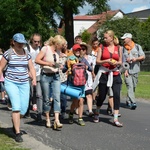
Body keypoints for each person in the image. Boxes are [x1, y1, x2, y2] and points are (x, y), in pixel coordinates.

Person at [0, 33, 36, 142]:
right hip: (11, 82)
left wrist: (33, 78)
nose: (21, 45)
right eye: (19, 43)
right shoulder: (8, 53)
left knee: (24, 109)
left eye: (22, 43)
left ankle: (14, 122)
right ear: (13, 42)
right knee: (16, 106)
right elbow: (0, 67)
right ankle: (17, 132)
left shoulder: (26, 54)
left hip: (24, 83)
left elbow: (31, 68)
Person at [35, 35, 66, 130]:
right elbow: (37, 60)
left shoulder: (57, 51)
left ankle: (56, 120)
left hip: (56, 76)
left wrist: (59, 65)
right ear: (57, 44)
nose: (62, 47)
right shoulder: (45, 48)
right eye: (61, 45)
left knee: (57, 97)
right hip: (45, 75)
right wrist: (48, 64)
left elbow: (56, 61)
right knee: (46, 98)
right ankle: (47, 118)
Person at [93, 30, 123, 127]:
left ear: (111, 37)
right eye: (104, 37)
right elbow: (97, 61)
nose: (104, 39)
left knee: (117, 95)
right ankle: (97, 112)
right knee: (102, 95)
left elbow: (121, 61)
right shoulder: (101, 47)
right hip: (104, 73)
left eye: (106, 37)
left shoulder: (119, 48)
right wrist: (106, 60)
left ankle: (115, 118)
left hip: (115, 73)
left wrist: (116, 63)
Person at [62, 44, 93, 126]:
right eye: (76, 50)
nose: (78, 51)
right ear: (73, 51)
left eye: (80, 50)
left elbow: (90, 68)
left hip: (82, 83)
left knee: (81, 101)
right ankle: (71, 113)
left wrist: (87, 67)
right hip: (73, 83)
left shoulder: (83, 59)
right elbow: (64, 70)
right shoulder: (69, 59)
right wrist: (67, 67)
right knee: (75, 101)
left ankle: (80, 118)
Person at [121, 33, 145, 109]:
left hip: (135, 70)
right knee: (129, 86)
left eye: (124, 38)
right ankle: (133, 102)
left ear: (129, 38)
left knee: (133, 86)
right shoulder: (122, 48)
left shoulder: (137, 47)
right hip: (126, 70)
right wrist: (125, 71)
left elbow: (143, 56)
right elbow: (122, 60)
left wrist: (136, 59)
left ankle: (128, 100)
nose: (123, 40)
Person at [24, 33, 43, 122]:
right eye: (35, 41)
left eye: (38, 41)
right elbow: (23, 63)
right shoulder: (26, 49)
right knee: (28, 94)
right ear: (32, 40)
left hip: (38, 74)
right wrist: (28, 73)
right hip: (28, 74)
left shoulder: (41, 49)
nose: (36, 43)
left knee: (39, 94)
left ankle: (39, 113)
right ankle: (26, 110)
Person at [80, 42, 95, 117]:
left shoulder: (90, 58)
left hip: (88, 77)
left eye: (83, 49)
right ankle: (79, 110)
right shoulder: (76, 58)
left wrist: (93, 74)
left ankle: (90, 110)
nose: (82, 50)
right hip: (79, 78)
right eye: (80, 49)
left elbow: (91, 67)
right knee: (80, 97)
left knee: (89, 94)